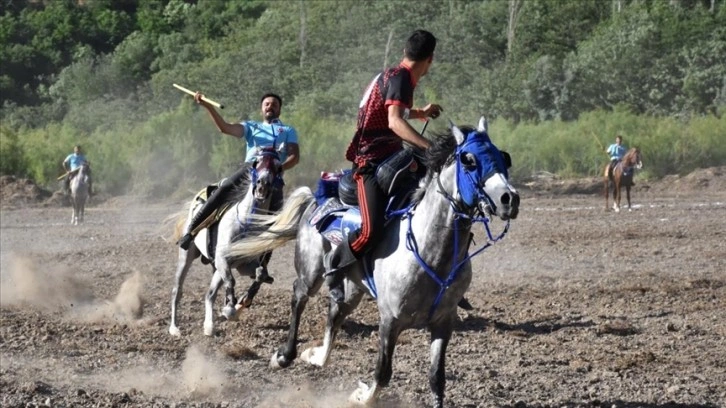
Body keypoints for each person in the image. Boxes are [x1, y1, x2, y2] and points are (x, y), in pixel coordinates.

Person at [324, 29, 443, 302]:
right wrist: (429, 147)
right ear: (430, 59)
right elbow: (394, 122)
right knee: (370, 232)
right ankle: (333, 267)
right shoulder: (402, 79)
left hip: (387, 156)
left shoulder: (393, 74)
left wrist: (420, 113)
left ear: (405, 51)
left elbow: (394, 109)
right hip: (369, 163)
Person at [177, 92, 300, 281]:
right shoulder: (252, 126)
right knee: (223, 189)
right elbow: (224, 128)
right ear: (262, 108)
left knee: (275, 224)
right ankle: (191, 231)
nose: (270, 106)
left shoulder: (289, 131)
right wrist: (207, 106)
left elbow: (294, 156)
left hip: (273, 176)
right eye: (267, 104)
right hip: (250, 171)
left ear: (280, 109)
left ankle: (261, 265)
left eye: (274, 104)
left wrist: (278, 168)